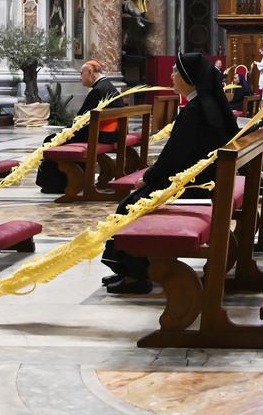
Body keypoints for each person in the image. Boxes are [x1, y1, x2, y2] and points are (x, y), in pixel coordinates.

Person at [101, 52, 238, 294]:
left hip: (195, 185)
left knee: (130, 205)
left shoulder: (195, 111)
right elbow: (179, 156)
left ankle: (135, 276)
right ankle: (130, 269)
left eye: (175, 71)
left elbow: (173, 158)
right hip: (205, 179)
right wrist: (154, 174)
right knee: (132, 201)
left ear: (189, 77)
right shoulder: (207, 105)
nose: (171, 76)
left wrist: (148, 176)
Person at [35, 60, 123, 194]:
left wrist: (66, 131)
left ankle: (57, 185)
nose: (79, 77)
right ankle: (78, 179)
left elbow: (81, 120)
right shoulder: (108, 86)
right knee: (57, 137)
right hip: (109, 134)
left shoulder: (98, 90)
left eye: (81, 73)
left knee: (50, 140)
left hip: (99, 135)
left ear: (90, 72)